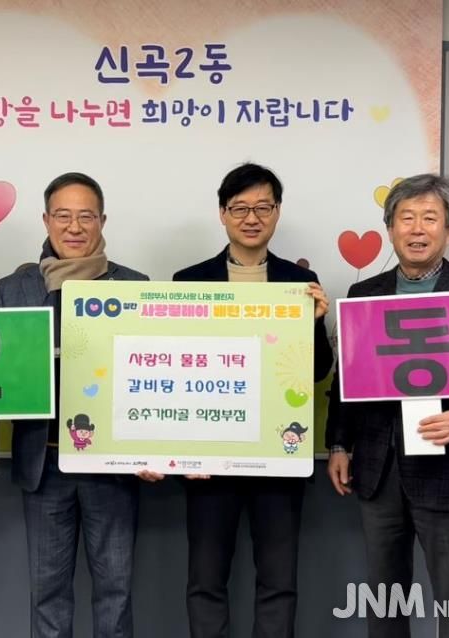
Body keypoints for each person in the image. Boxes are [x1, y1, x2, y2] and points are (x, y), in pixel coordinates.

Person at [0, 172, 148, 638]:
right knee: (47, 596)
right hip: (45, 463)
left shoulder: (135, 286)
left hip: (113, 466)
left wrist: (153, 447)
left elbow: (150, 377)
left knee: (116, 594)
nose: (74, 227)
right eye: (63, 216)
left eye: (85, 216)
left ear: (102, 221)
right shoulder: (13, 290)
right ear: (46, 220)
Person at [326, 173, 449, 638]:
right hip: (379, 471)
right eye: (406, 218)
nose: (417, 229)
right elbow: (347, 379)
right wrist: (339, 445)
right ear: (390, 229)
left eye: (430, 218)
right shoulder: (363, 295)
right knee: (384, 604)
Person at [173, 162, 333, 638]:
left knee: (279, 582)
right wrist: (178, 450)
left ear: (277, 212)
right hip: (209, 454)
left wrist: (313, 324)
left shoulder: (299, 282)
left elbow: (317, 371)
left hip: (277, 451)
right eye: (240, 207)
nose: (251, 218)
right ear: (222, 214)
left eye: (263, 207)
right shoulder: (189, 282)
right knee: (205, 580)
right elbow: (173, 371)